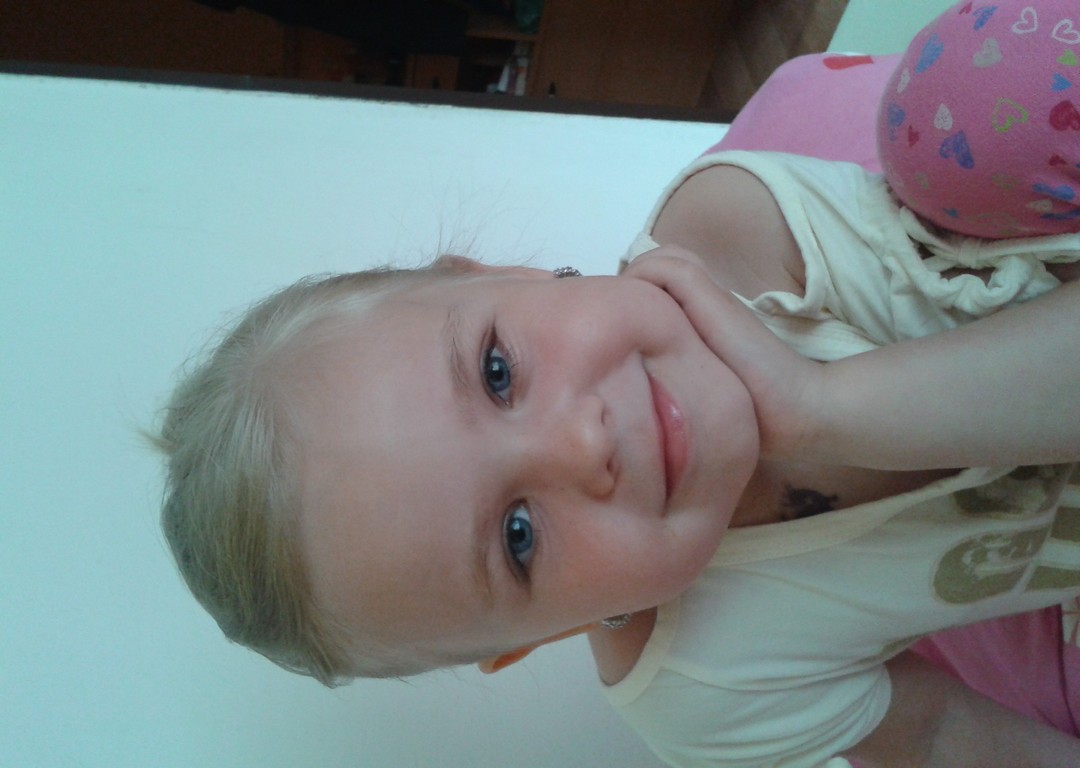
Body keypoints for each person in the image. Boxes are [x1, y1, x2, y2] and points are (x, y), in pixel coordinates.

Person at [156, 1, 1080, 764]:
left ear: (507, 274)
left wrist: (827, 409)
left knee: (985, 92)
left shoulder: (755, 239)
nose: (582, 442)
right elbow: (940, 734)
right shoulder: (699, 691)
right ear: (541, 636)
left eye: (498, 372)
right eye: (519, 537)